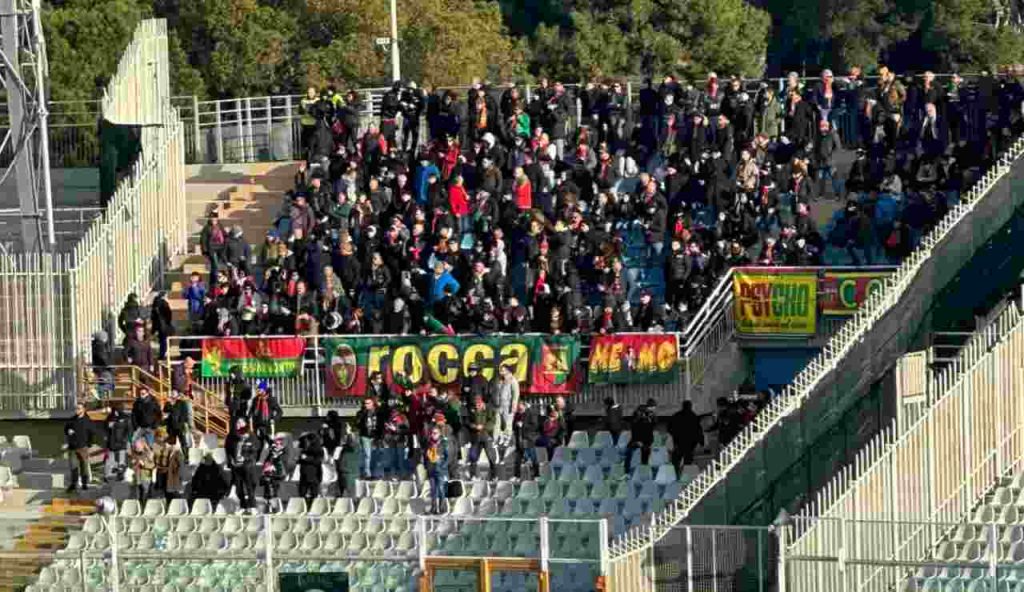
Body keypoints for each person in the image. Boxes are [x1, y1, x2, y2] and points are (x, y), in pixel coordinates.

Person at [226, 419, 261, 514]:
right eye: (237, 422)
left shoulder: (251, 436)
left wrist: (245, 458)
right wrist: (231, 460)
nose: (238, 424)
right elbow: (228, 450)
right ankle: (242, 506)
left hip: (247, 466)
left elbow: (255, 450)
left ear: (245, 424)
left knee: (249, 486)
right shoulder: (231, 436)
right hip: (236, 466)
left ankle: (252, 506)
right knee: (239, 487)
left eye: (241, 423)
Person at [63, 403, 98, 492]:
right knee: (73, 466)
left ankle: (84, 484)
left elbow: (92, 433)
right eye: (76, 408)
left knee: (84, 466)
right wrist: (68, 431)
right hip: (72, 448)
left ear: (83, 410)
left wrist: (89, 444)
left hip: (83, 447)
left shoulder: (87, 421)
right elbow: (66, 429)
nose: (77, 410)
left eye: (79, 408)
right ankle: (74, 484)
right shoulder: (72, 420)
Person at [465, 394, 498, 481]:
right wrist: (473, 426)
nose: (477, 406)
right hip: (475, 437)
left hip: (486, 436)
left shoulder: (489, 410)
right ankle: (473, 475)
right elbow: (467, 421)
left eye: (478, 404)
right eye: (476, 404)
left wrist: (483, 427)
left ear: (482, 402)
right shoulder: (471, 410)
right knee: (473, 457)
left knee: (491, 457)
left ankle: (494, 476)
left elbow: (492, 422)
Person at [668, 400, 704, 468]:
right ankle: (686, 475)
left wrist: (674, 435)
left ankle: (676, 474)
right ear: (690, 407)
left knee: (676, 460)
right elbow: (698, 430)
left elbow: (669, 428)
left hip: (679, 442)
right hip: (690, 443)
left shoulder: (676, 415)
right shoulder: (693, 416)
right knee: (688, 461)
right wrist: (701, 442)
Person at [625, 399, 657, 474]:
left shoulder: (651, 415)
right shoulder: (639, 414)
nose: (654, 409)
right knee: (630, 453)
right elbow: (635, 427)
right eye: (653, 407)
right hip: (638, 439)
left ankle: (643, 472)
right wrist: (637, 441)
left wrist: (651, 418)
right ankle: (627, 471)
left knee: (644, 457)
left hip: (646, 440)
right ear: (650, 406)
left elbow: (653, 425)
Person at [493, 365, 520, 456]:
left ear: (508, 371)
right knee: (497, 422)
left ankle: (507, 440)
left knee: (507, 423)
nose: (501, 371)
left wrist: (514, 406)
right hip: (499, 405)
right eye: (500, 370)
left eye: (503, 370)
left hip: (507, 405)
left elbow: (515, 394)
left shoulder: (513, 380)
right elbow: (496, 392)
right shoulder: (499, 380)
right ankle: (497, 439)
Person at [423, 424, 449, 514]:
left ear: (439, 434)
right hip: (431, 469)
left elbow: (448, 457)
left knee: (441, 489)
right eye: (432, 433)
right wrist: (426, 466)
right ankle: (433, 508)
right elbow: (424, 456)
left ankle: (442, 508)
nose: (433, 435)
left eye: (435, 433)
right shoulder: (428, 443)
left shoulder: (444, 443)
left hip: (440, 469)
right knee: (433, 490)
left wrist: (443, 466)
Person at [153, 432, 184, 502]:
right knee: (165, 493)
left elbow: (179, 465)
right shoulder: (160, 449)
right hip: (162, 474)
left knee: (173, 495)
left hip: (172, 476)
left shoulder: (176, 451)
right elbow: (157, 461)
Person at [512, 401, 539, 480]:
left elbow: (535, 426)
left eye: (520, 408)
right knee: (517, 459)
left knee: (533, 458)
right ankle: (517, 476)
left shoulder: (531, 413)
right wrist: (516, 425)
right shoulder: (517, 414)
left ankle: (537, 475)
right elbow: (513, 426)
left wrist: (523, 425)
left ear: (524, 406)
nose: (519, 409)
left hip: (528, 439)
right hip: (519, 440)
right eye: (518, 408)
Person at [105, 405, 132, 482]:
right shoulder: (110, 418)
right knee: (111, 460)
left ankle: (121, 475)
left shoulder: (126, 419)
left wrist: (125, 440)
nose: (115, 413)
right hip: (111, 443)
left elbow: (129, 431)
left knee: (121, 460)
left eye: (116, 411)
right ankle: (109, 475)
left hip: (121, 444)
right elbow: (105, 428)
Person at [261, 435, 288, 513]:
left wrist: (274, 467)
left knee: (274, 489)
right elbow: (266, 464)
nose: (277, 445)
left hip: (279, 477)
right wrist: (268, 467)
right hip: (270, 477)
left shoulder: (284, 455)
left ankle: (276, 508)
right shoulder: (271, 454)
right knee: (267, 485)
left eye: (279, 444)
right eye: (276, 444)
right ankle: (269, 507)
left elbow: (283, 469)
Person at [355, 397, 381, 479]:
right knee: (367, 455)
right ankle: (367, 473)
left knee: (375, 455)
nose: (366, 405)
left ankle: (375, 473)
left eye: (368, 403)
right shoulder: (361, 413)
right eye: (365, 403)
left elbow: (381, 423)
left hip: (375, 436)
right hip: (365, 436)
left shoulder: (377, 412)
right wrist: (363, 414)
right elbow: (357, 424)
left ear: (372, 403)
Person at [297, 432, 325, 506]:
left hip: (313, 475)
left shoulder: (318, 449)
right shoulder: (305, 449)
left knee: (314, 494)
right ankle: (305, 507)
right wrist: (300, 459)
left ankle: (312, 507)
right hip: (304, 474)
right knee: (302, 493)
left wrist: (306, 458)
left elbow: (318, 461)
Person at [334, 422, 361, 498]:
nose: (344, 437)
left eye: (346, 436)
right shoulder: (344, 448)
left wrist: (349, 432)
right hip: (342, 473)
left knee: (349, 494)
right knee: (341, 494)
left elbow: (352, 443)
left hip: (349, 473)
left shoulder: (354, 447)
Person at [164, 390, 193, 458]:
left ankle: (186, 457)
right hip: (171, 427)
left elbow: (184, 414)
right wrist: (168, 402)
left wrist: (181, 423)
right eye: (172, 393)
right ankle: (170, 457)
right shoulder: (169, 403)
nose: (172, 395)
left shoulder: (182, 403)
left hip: (180, 426)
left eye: (174, 393)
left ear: (177, 395)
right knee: (171, 443)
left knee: (183, 443)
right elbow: (165, 410)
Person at [150, 291, 174, 360]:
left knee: (162, 341)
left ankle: (161, 353)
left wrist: (154, 329)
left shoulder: (155, 304)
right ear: (164, 296)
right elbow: (169, 315)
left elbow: (153, 317)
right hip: (165, 325)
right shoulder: (165, 304)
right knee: (165, 341)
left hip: (158, 325)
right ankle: (162, 354)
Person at [131, 438, 156, 504]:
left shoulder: (149, 453)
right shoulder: (135, 454)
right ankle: (140, 506)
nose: (137, 449)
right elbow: (132, 466)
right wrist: (134, 463)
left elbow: (153, 465)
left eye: (138, 447)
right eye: (136, 448)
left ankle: (146, 506)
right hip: (137, 477)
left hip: (146, 477)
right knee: (139, 494)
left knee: (146, 493)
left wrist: (144, 464)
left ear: (143, 446)